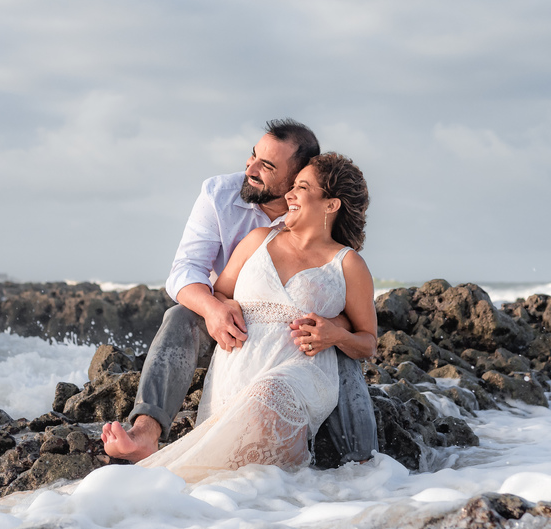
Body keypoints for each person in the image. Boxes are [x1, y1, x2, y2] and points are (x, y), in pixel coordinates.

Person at [101, 120, 378, 465]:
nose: (250, 168)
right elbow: (186, 271)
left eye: (268, 166)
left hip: (298, 346)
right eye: (252, 156)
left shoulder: (334, 247)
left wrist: (335, 326)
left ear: (296, 180)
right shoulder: (222, 196)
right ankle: (146, 431)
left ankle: (361, 466)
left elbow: (360, 324)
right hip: (235, 322)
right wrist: (215, 307)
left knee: (339, 355)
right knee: (181, 316)